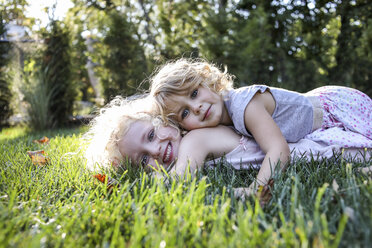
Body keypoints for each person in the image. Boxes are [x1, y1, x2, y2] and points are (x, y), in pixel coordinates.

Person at [149, 58, 372, 189]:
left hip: (331, 109)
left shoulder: (245, 105)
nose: (196, 107)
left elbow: (278, 150)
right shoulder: (221, 123)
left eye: (194, 92)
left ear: (207, 81)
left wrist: (257, 188)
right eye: (185, 112)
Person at [84, 96, 371, 196]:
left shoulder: (195, 140)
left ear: (165, 121)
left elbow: (180, 180)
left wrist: (156, 179)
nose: (156, 151)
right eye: (144, 161)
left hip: (310, 149)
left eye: (150, 136)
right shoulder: (199, 134)